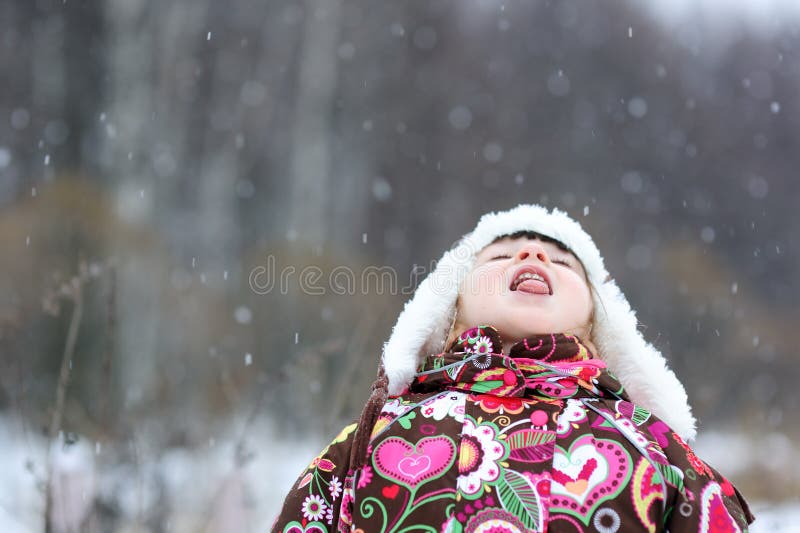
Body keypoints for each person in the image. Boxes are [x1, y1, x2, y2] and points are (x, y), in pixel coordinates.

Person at [272, 204, 754, 532]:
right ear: (449, 308)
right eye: (501, 255)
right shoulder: (372, 439)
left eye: (563, 262)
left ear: (594, 321)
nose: (533, 254)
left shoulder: (650, 444)